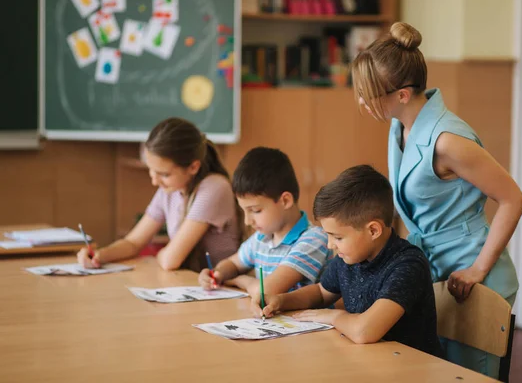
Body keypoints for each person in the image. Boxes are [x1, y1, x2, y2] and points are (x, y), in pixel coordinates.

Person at [350, 21, 522, 377]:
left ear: (402, 94)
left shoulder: (447, 140)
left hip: (473, 277)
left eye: (369, 94)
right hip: (433, 270)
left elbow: (513, 199)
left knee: (464, 377)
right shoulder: (400, 125)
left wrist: (478, 269)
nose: (362, 102)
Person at [251, 165, 443, 357]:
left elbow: (364, 331)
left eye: (337, 237)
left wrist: (334, 316)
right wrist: (281, 300)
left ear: (373, 230)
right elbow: (320, 292)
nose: (330, 245)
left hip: (410, 367)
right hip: (367, 361)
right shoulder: (350, 257)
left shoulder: (407, 264)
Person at [77, 117, 241, 272]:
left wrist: (160, 255)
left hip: (222, 289)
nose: (155, 181)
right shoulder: (170, 190)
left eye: (164, 174)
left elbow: (171, 260)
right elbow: (133, 242)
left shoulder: (214, 187)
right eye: (151, 171)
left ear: (193, 167)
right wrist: (100, 255)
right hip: (190, 284)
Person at [198, 147, 331, 297]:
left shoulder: (313, 239)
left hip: (303, 320)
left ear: (285, 200)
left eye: (255, 211)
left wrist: (238, 280)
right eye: (244, 211)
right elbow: (233, 263)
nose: (248, 221)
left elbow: (265, 291)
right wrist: (217, 274)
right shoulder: (262, 238)